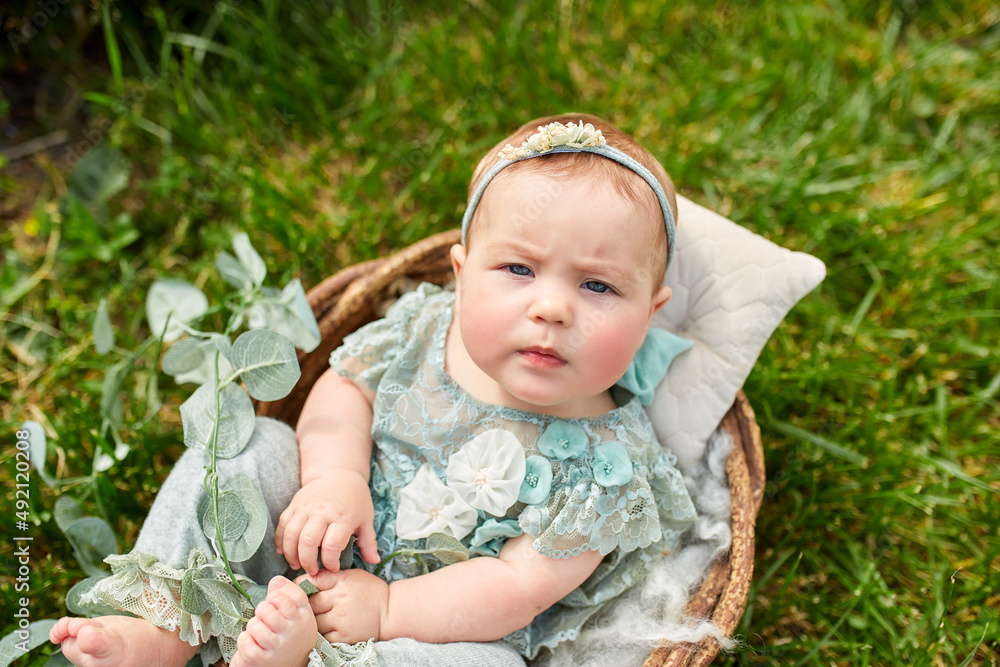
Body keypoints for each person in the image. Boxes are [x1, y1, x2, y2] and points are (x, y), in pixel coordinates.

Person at [50, 113, 697, 667]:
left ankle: (304, 655)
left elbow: (517, 585)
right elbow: (344, 389)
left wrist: (388, 609)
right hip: (308, 541)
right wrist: (335, 479)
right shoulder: (422, 328)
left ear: (649, 311)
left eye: (598, 286)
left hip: (424, 628)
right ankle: (164, 620)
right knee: (252, 442)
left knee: (489, 662)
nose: (552, 306)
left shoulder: (607, 470)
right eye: (519, 269)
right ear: (462, 273)